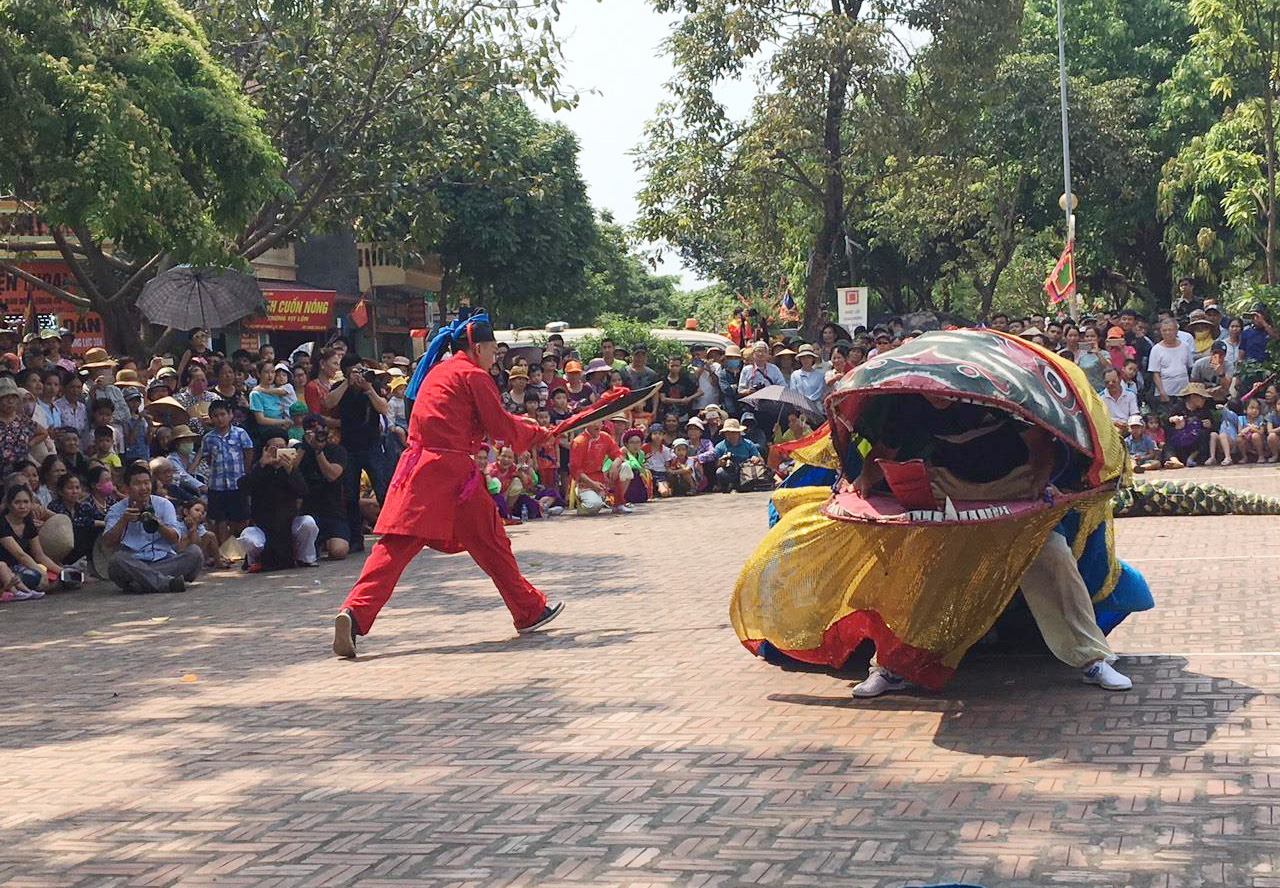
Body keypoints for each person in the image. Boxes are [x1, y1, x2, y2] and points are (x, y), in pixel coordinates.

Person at [333, 314, 563, 658]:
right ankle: (528, 609)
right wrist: (537, 432)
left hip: (415, 468)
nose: (494, 356)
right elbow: (500, 426)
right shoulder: (474, 375)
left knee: (394, 547)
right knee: (491, 541)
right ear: (478, 346)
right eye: (492, 350)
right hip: (452, 475)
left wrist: (522, 425)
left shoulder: (437, 372)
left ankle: (353, 612)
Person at [100, 462, 203, 594]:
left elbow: (174, 540)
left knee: (195, 553)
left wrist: (159, 524)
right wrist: (123, 521)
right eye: (137, 484)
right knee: (117, 561)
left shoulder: (164, 504)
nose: (143, 488)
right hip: (134, 563)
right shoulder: (117, 510)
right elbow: (107, 543)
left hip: (165, 561)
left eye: (146, 483)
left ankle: (142, 583)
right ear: (127, 488)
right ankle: (166, 583)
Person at [324, 351, 389, 554]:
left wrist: (368, 388)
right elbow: (328, 403)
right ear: (345, 372)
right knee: (350, 494)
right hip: (348, 448)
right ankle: (355, 538)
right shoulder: (338, 387)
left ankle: (390, 533)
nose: (359, 374)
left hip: (371, 445)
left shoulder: (372, 384)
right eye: (354, 371)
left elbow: (383, 408)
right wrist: (346, 383)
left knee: (382, 489)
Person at [238, 435, 319, 571]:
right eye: (274, 448)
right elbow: (244, 488)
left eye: (283, 448)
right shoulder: (260, 470)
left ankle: (306, 558)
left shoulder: (291, 470)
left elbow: (303, 491)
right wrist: (262, 465)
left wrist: (290, 471)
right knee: (248, 537)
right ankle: (254, 561)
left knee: (308, 523)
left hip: (288, 526)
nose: (279, 451)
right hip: (263, 527)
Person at [297, 414, 349, 561]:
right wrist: (304, 446)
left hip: (333, 511)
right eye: (312, 430)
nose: (317, 433)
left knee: (339, 551)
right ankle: (316, 544)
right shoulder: (300, 450)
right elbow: (290, 471)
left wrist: (318, 451)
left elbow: (332, 475)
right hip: (308, 512)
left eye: (320, 429)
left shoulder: (337, 451)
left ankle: (326, 542)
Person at [201, 400, 254, 544]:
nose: (220, 418)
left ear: (230, 415)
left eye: (223, 414)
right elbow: (208, 458)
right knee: (220, 519)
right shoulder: (208, 438)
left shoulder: (240, 433)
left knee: (241, 517)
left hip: (237, 482)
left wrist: (246, 471)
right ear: (211, 418)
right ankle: (224, 549)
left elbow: (248, 452)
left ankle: (242, 547)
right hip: (217, 485)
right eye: (216, 416)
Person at [0, 483, 66, 592]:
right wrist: (40, 571)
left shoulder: (28, 523)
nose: (22, 506)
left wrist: (63, 572)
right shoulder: (2, 524)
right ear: (9, 504)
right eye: (17, 502)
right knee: (35, 576)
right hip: (5, 570)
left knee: (59, 578)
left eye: (26, 502)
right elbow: (20, 555)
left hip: (21, 567)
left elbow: (39, 555)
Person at [0, 376, 44, 479]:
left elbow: (43, 433)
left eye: (13, 397)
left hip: (20, 475)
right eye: (6, 397)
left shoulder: (22, 420)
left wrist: (29, 444)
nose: (10, 401)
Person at [1147, 318, 1194, 411]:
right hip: (1166, 391)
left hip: (1184, 390)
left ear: (1176, 330)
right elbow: (1155, 373)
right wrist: (1162, 392)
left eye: (1170, 330)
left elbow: (1190, 367)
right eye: (1164, 330)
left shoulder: (1185, 346)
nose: (1167, 333)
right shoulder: (1156, 349)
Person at [714, 418, 763, 492]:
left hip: (746, 471)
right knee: (719, 471)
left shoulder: (749, 444)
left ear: (739, 432)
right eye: (728, 432)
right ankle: (729, 486)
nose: (731, 435)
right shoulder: (719, 446)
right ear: (725, 434)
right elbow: (716, 464)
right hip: (730, 472)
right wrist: (720, 463)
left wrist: (755, 458)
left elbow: (757, 457)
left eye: (734, 432)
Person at [658, 355, 698, 421]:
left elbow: (700, 392)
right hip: (667, 415)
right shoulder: (663, 380)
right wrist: (681, 401)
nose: (674, 368)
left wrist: (689, 398)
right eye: (672, 366)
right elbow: (663, 399)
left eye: (677, 366)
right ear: (667, 365)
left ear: (680, 366)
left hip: (683, 415)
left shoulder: (685, 380)